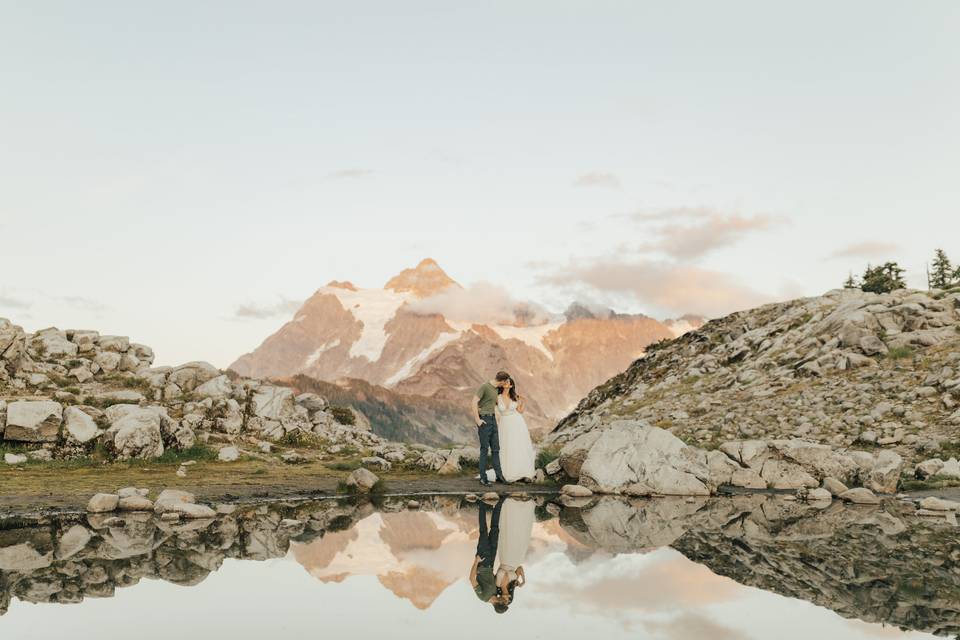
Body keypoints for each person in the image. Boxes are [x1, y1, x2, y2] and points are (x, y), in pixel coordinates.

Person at [494, 497, 535, 613]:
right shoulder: (513, 585)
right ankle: (525, 505)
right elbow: (520, 568)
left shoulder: (495, 586)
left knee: (508, 531)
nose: (507, 600)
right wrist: (523, 580)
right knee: (520, 534)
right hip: (516, 558)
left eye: (505, 602)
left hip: (505, 556)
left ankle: (509, 504)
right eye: (509, 601)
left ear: (501, 601)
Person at [495, 377, 536, 482]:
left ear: (511, 385)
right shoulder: (497, 397)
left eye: (508, 382)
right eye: (504, 381)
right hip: (504, 424)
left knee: (518, 445)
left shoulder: (514, 397)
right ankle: (506, 472)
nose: (506, 383)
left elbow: (520, 411)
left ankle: (522, 472)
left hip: (517, 423)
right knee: (506, 446)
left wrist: (524, 401)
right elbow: (494, 410)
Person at [472, 371, 509, 486]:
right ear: (502, 381)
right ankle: (483, 478)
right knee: (484, 449)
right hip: (484, 420)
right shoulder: (485, 387)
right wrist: (478, 420)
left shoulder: (496, 389)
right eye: (506, 382)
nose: (506, 384)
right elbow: (474, 402)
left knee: (496, 449)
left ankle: (499, 476)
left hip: (493, 420)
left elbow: (499, 401)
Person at [469, 497, 504, 607]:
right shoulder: (495, 593)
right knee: (495, 529)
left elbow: (472, 579)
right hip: (491, 561)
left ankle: (481, 504)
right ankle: (499, 503)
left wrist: (476, 561)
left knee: (483, 531)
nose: (504, 599)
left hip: (482, 561)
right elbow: (492, 578)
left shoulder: (483, 597)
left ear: (498, 603)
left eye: (503, 601)